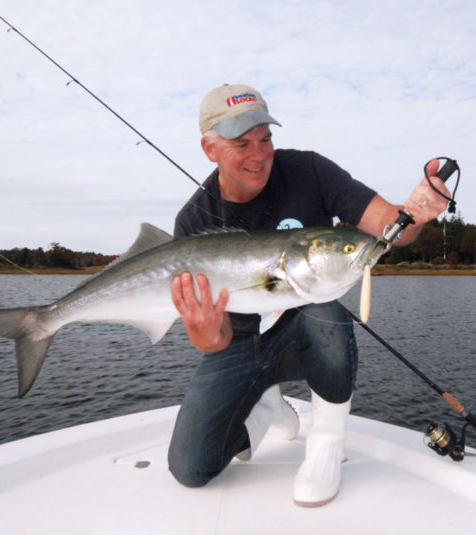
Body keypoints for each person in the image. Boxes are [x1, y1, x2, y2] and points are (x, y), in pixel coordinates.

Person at [167, 83, 450, 506]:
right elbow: (215, 340)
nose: (259, 155)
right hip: (238, 343)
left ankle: (326, 445)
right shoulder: (193, 221)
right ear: (209, 149)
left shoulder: (309, 171)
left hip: (304, 325)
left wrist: (418, 210)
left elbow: (391, 226)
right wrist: (204, 333)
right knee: (191, 469)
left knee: (326, 313)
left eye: (265, 139)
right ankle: (266, 404)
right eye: (241, 143)